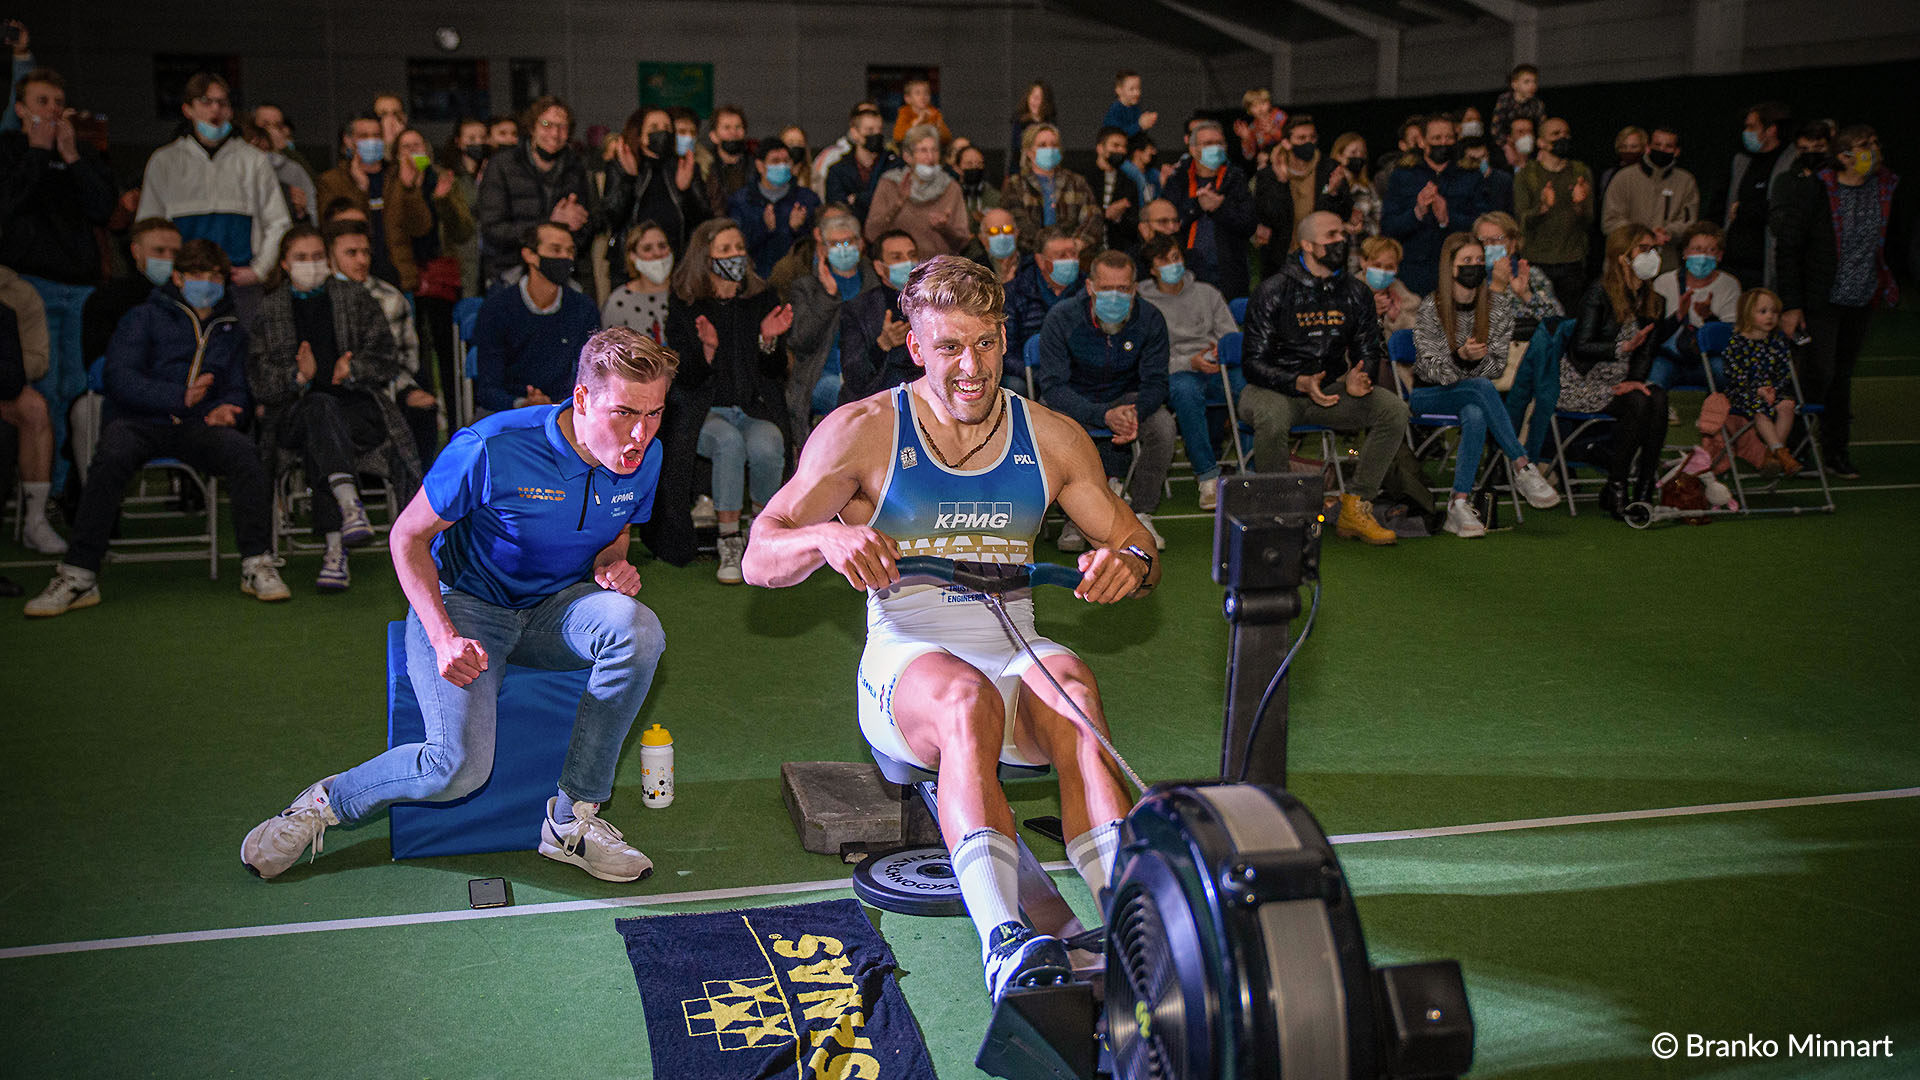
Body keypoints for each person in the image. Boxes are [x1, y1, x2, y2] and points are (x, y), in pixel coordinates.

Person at [740, 254, 1158, 1003]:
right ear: (915, 346)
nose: (972, 366)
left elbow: (1136, 542)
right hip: (909, 655)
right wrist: (825, 539)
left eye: (987, 344)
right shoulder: (863, 430)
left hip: (1014, 645)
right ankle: (1004, 942)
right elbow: (760, 558)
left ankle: (1135, 931)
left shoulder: (1052, 436)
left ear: (1005, 336)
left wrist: (1130, 563)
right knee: (967, 701)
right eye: (949, 348)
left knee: (1074, 693)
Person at [240, 327, 673, 883]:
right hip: (468, 604)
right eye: (625, 413)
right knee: (456, 769)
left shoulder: (647, 455)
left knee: (638, 629)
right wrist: (442, 634)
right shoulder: (491, 446)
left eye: (655, 413)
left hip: (558, 606)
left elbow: (616, 530)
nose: (640, 433)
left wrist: (610, 562)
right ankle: (320, 804)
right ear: (582, 398)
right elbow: (407, 538)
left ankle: (572, 820)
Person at [27, 239, 289, 616]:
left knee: (244, 453)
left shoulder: (231, 328)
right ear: (179, 278)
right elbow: (120, 378)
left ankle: (257, 563)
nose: (207, 283)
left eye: (214, 276)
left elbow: (238, 385)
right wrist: (177, 397)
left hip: (200, 426)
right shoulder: (144, 317)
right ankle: (78, 574)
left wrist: (231, 409)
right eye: (198, 275)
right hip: (140, 421)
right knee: (112, 452)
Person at [248, 224, 423, 590]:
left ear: (327, 261)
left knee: (323, 428)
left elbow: (387, 360)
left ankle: (335, 546)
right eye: (301, 258)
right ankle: (347, 510)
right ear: (283, 263)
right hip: (294, 413)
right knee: (318, 409)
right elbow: (260, 382)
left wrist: (353, 368)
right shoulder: (270, 309)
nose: (310, 264)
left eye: (316, 257)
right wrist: (297, 376)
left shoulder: (354, 298)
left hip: (358, 410)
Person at [1238, 212, 1407, 546]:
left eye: (1342, 235)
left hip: (1330, 391)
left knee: (1393, 410)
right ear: (1307, 245)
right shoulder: (1272, 291)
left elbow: (1369, 348)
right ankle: (1280, 512)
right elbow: (1252, 363)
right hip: (1272, 390)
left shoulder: (1355, 292)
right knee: (1271, 418)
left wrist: (1362, 376)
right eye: (1331, 236)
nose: (1340, 242)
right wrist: (1299, 382)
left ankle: (1356, 506)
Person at [3, 65, 114, 499]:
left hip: (81, 287)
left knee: (76, 388)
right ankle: (39, 491)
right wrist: (35, 152)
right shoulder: (11, 151)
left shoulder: (80, 153)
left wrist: (71, 158)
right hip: (32, 286)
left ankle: (70, 489)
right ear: (20, 110)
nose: (51, 111)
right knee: (43, 390)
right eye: (40, 103)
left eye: (57, 103)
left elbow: (104, 209)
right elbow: (8, 207)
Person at [662, 218, 794, 583]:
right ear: (705, 258)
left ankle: (763, 531)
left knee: (768, 441)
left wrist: (768, 340)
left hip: (750, 408)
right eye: (725, 250)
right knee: (728, 442)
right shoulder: (688, 304)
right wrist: (707, 349)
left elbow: (775, 370)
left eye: (739, 248)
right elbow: (683, 377)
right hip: (703, 412)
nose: (735, 255)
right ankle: (729, 539)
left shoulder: (761, 299)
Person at [1410, 233, 1562, 536]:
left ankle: (1459, 503)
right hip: (1428, 394)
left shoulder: (1496, 307)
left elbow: (1495, 365)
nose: (1475, 266)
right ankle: (1522, 465)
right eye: (1466, 261)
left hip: (1474, 393)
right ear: (1450, 267)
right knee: (1479, 387)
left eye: (1479, 260)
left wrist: (1470, 361)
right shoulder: (1433, 305)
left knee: (1476, 410)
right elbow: (1428, 367)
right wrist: (1462, 357)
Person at [1773, 124, 1897, 481]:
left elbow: (1890, 241)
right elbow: (1790, 247)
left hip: (1862, 297)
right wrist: (1792, 305)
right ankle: (1794, 447)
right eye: (1864, 145)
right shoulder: (1817, 190)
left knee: (1842, 376)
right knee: (1817, 372)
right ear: (1843, 156)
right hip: (1820, 300)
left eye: (1875, 143)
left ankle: (1836, 451)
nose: (1872, 150)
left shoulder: (1885, 189)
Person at [1034, 249, 1173, 551]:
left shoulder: (1150, 319)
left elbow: (1156, 381)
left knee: (1162, 426)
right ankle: (1073, 517)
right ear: (1090, 287)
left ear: (1134, 289)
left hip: (1127, 400)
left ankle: (1140, 511)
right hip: (1074, 399)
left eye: (1122, 289)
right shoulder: (1062, 318)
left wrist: (1135, 413)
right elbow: (1052, 386)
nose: (1114, 296)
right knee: (1051, 423)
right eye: (1106, 288)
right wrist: (1103, 415)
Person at [135, 72, 291, 327]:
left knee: (241, 354)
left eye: (223, 102)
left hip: (239, 284)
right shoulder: (165, 161)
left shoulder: (253, 160)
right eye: (206, 102)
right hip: (183, 285)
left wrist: (259, 270)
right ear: (188, 109)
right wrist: (165, 272)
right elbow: (149, 227)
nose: (215, 109)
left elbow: (278, 222)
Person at [1562, 224, 1672, 516]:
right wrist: (1620, 349)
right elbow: (1580, 346)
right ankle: (1617, 486)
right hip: (1582, 381)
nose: (1652, 256)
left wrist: (1634, 381)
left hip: (1621, 381)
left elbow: (1647, 353)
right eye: (1644, 249)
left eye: (1653, 249)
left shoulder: (1655, 300)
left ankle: (1645, 488)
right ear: (1623, 256)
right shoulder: (1598, 292)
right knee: (1638, 402)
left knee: (1657, 397)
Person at [1138, 234, 1239, 511]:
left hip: (1216, 366)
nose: (1173, 265)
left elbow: (1230, 335)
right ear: (1152, 269)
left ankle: (1252, 472)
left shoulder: (1207, 293)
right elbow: (1147, 357)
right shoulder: (1141, 301)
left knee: (1250, 388)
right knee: (1184, 390)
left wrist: (1218, 353)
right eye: (1164, 261)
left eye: (1176, 258)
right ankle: (1207, 477)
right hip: (1176, 370)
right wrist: (1188, 362)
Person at [327, 219, 439, 465]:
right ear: (330, 257)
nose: (361, 260)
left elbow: (406, 361)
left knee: (423, 407)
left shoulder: (391, 299)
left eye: (365, 252)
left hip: (386, 385)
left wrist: (403, 390)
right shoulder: (318, 299)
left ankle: (420, 493)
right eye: (351, 253)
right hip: (330, 391)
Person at [471, 222, 601, 416]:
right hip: (508, 413)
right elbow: (488, 387)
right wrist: (522, 403)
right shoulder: (498, 308)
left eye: (570, 251)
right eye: (555, 250)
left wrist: (559, 405)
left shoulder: (583, 308)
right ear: (530, 255)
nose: (565, 257)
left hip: (567, 411)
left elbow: (591, 376)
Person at [474, 95, 594, 288]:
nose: (555, 134)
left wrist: (576, 226)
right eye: (547, 124)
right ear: (532, 127)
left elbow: (586, 228)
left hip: (561, 272)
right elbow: (492, 229)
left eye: (562, 127)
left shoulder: (575, 168)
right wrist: (551, 223)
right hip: (509, 271)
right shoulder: (502, 165)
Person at [315, 113, 432, 294]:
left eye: (377, 136)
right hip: (351, 279)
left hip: (398, 278)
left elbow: (421, 228)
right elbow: (333, 229)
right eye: (364, 136)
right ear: (348, 140)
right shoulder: (331, 181)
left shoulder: (397, 177)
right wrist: (360, 189)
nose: (372, 141)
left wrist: (410, 189)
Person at [787, 209, 875, 438]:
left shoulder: (875, 283)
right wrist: (827, 297)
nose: (843, 249)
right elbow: (801, 341)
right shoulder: (806, 288)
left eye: (848, 242)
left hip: (868, 372)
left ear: (860, 244)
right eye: (835, 244)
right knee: (848, 398)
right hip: (822, 375)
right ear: (823, 248)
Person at [1381, 114, 1483, 296]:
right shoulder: (1403, 175)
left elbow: (1482, 224)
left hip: (1459, 273)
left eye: (1449, 137)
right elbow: (1388, 227)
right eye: (1436, 138)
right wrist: (1417, 213)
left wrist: (1447, 218)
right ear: (1422, 142)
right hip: (1414, 275)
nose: (1443, 143)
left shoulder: (1471, 175)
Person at [599, 107, 705, 280]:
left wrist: (685, 191)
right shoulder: (622, 166)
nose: (662, 132)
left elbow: (701, 221)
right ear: (640, 135)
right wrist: (628, 179)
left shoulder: (685, 167)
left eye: (667, 128)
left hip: (675, 263)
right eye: (654, 128)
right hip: (631, 266)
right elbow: (612, 218)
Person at [0, 272, 62, 554]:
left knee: (34, 408)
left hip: (4, 387)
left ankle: (35, 520)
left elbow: (36, 362)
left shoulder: (15, 298)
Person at [1164, 120, 1255, 301]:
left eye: (1219, 143)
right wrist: (1198, 206)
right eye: (1208, 144)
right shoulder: (1178, 179)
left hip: (1229, 270)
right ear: (1193, 149)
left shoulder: (1235, 177)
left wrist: (1219, 208)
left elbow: (1248, 224)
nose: (1215, 148)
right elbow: (1169, 222)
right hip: (1186, 269)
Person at [1718, 286, 1802, 475]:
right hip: (1744, 393)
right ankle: (1780, 453)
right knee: (1760, 408)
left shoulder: (1777, 342)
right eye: (1763, 312)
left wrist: (1774, 389)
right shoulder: (1737, 343)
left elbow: (1784, 372)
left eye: (1774, 312)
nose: (1770, 317)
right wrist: (1758, 389)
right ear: (1747, 314)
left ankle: (1773, 455)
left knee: (1787, 404)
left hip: (1773, 392)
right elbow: (1733, 373)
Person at [1513, 117, 1595, 308]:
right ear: (1541, 142)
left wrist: (1579, 204)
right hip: (1537, 260)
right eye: (1556, 134)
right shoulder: (1527, 174)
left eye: (1566, 134)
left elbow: (1589, 219)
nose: (1562, 138)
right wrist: (1543, 207)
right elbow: (1522, 221)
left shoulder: (1580, 171)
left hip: (1572, 260)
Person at [82, 217, 180, 372]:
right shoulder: (109, 297)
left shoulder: (187, 298)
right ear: (136, 251)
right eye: (159, 251)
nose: (168, 258)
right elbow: (100, 360)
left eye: (175, 253)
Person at [839, 230, 921, 403]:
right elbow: (854, 376)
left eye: (912, 255)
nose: (907, 262)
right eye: (897, 257)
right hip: (879, 399)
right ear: (879, 267)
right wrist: (883, 344)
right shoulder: (857, 310)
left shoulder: (935, 303)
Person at [1722, 102, 1798, 290]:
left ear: (1771, 130)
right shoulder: (1742, 161)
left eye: (1752, 127)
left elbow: (1783, 209)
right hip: (1734, 260)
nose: (1746, 132)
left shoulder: (1791, 161)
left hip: (1766, 264)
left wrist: (1744, 209)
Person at [866, 125, 971, 259]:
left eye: (934, 150)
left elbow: (963, 241)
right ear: (908, 156)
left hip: (939, 268)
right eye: (923, 150)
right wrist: (898, 204)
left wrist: (945, 228)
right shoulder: (890, 184)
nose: (930, 157)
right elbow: (871, 233)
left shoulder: (951, 187)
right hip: (900, 268)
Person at [1602, 125, 1698, 267]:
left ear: (1676, 151)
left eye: (1668, 146)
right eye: (1657, 145)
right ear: (1647, 147)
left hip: (1664, 264)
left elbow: (1688, 223)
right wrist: (1644, 236)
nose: (1662, 150)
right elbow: (1610, 221)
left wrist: (1667, 233)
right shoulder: (1624, 177)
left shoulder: (1686, 181)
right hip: (1624, 263)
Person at [1002, 123, 1100, 255]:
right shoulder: (1015, 184)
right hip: (1030, 255)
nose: (1050, 149)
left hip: (1073, 255)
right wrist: (1048, 248)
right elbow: (1018, 224)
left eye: (1054, 145)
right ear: (1029, 152)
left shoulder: (1077, 182)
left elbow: (1093, 217)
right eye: (1042, 145)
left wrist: (1075, 244)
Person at [728, 138, 822, 276]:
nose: (782, 166)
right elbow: (735, 244)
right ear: (760, 166)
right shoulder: (741, 201)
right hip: (755, 278)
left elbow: (817, 243)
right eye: (775, 161)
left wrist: (797, 229)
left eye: (786, 161)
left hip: (797, 278)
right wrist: (764, 229)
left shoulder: (807, 199)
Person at [1003, 227, 1084, 385]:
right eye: (1061, 255)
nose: (1070, 260)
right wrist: (1038, 375)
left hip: (1079, 372)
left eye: (1073, 254)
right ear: (1041, 260)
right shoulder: (1015, 293)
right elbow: (1006, 351)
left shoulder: (1087, 291)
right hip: (1030, 374)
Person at [825, 105, 902, 223]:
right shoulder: (838, 170)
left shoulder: (895, 164)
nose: (876, 134)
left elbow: (893, 199)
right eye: (870, 130)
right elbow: (837, 208)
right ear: (855, 133)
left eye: (879, 129)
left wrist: (857, 199)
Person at [601, 221, 674, 345]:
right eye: (647, 248)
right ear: (633, 256)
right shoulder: (619, 302)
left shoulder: (686, 294)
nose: (657, 253)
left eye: (662, 246)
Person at [442, 117, 491, 297]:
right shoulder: (449, 176)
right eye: (471, 139)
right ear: (458, 142)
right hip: (462, 259)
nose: (478, 143)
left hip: (490, 258)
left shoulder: (495, 172)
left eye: (482, 138)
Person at [241, 119, 316, 225]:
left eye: (265, 151)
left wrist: (302, 213)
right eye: (255, 150)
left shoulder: (287, 186)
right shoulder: (231, 179)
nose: (261, 158)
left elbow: (310, 219)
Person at [1083, 126, 1141, 256]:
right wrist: (1105, 213)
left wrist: (1118, 217)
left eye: (1124, 147)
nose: (1121, 150)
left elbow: (1133, 223)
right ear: (1100, 148)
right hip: (1086, 250)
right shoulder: (1083, 178)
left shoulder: (1129, 183)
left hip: (1117, 250)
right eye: (1115, 145)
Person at [698, 104, 752, 211]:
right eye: (727, 128)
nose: (733, 133)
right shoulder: (704, 168)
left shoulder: (757, 166)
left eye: (738, 127)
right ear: (713, 136)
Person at [1008, 80, 1056, 176]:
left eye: (1039, 97)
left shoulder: (1051, 124)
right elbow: (1015, 152)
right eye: (1032, 96)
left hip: (1046, 171)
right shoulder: (1019, 122)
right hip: (1021, 171)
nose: (1034, 100)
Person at [1490, 64, 1545, 145]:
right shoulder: (1505, 100)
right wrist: (1505, 144)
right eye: (1527, 82)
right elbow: (1496, 126)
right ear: (1514, 84)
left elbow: (1542, 126)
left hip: (1530, 142)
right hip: (1507, 142)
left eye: (1535, 82)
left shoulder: (1537, 104)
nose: (1532, 86)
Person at [956, 143, 1001, 238]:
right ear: (958, 168)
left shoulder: (996, 197)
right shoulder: (951, 196)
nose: (974, 167)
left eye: (979, 164)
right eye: (969, 164)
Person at [890, 77, 951, 147]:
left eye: (926, 93)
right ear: (907, 98)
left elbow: (947, 138)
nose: (923, 96)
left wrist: (939, 128)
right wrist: (917, 121)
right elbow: (898, 137)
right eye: (918, 93)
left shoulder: (934, 112)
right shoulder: (905, 112)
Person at [975, 207, 1026, 286]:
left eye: (1007, 229)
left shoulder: (1032, 265)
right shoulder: (975, 270)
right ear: (982, 239)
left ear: (1017, 233)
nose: (1002, 236)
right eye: (993, 231)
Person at [1599, 125, 1648, 204]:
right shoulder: (1609, 175)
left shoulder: (1649, 175)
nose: (1628, 151)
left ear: (1644, 148)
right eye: (1624, 147)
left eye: (1634, 147)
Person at [1236, 88, 1285, 164]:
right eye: (1254, 106)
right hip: (1266, 159)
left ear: (1269, 103)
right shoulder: (1253, 127)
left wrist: (1272, 131)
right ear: (1249, 110)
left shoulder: (1279, 116)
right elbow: (1249, 156)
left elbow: (1290, 138)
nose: (1260, 108)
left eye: (1263, 103)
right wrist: (1247, 138)